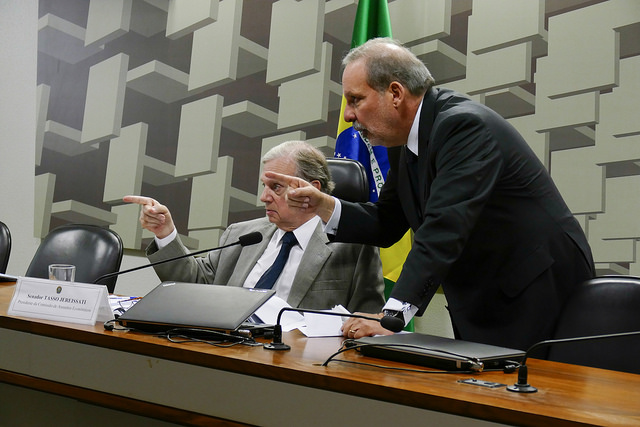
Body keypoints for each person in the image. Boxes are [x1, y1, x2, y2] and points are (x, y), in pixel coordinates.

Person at [269, 38, 595, 351]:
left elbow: (443, 226)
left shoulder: (463, 127)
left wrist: (392, 316)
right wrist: (323, 205)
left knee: (529, 400)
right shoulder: (405, 143)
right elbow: (386, 223)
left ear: (395, 93)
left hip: (534, 286)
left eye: (355, 100)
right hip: (490, 292)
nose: (348, 115)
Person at [123, 140, 385, 314]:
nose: (264, 197)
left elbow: (368, 321)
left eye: (276, 187)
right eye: (264, 186)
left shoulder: (353, 248)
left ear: (310, 191)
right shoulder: (243, 234)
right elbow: (195, 282)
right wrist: (165, 233)